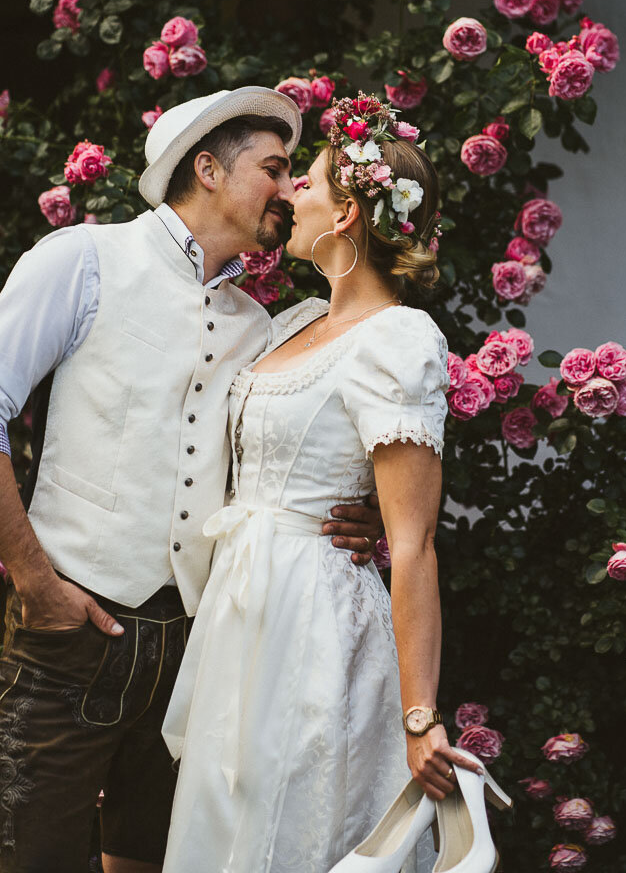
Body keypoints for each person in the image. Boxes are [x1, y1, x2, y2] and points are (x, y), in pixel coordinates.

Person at [0, 87, 383, 873]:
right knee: (30, 855)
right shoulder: (84, 259)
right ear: (206, 167)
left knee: (157, 859)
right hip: (70, 629)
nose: (289, 190)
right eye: (274, 169)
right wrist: (36, 580)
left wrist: (359, 512)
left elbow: (276, 463)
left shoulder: (259, 325)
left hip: (199, 650)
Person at [161, 94, 481, 873]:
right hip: (240, 613)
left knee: (295, 826)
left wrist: (419, 717)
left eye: (302, 183)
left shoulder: (399, 339)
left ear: (346, 216)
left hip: (315, 622)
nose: (286, 194)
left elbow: (411, 543)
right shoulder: (295, 320)